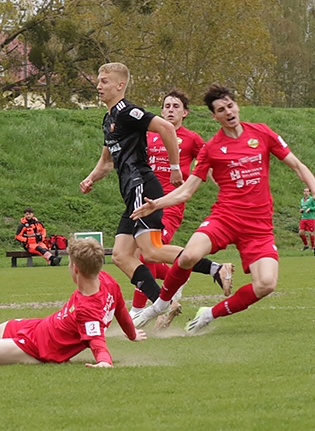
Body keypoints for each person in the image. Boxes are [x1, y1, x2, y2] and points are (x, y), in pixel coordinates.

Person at [130, 84, 315, 333]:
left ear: (236, 106)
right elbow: (187, 190)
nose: (228, 112)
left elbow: (297, 164)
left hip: (258, 225)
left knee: (266, 284)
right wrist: (156, 204)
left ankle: (209, 314)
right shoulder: (212, 148)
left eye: (230, 106)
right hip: (224, 218)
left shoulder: (262, 133)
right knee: (189, 256)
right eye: (220, 109)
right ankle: (159, 305)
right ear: (214, 116)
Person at [79, 63, 232, 314]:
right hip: (131, 193)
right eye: (98, 81)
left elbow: (167, 128)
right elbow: (107, 161)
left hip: (143, 186)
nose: (98, 86)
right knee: (120, 255)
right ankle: (165, 302)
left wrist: (175, 167)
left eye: (104, 81)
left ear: (120, 85)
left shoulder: (128, 111)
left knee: (151, 251)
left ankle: (215, 269)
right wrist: (90, 179)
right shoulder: (109, 119)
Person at [0, 238, 146, 367]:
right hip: (38, 327)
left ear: (75, 268)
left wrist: (104, 362)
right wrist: (132, 334)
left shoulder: (88, 310)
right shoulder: (107, 280)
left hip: (35, 349)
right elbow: (121, 310)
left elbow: (97, 341)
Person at [128, 89, 206, 328]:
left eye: (175, 106)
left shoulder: (191, 138)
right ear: (161, 111)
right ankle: (178, 274)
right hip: (143, 203)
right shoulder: (149, 135)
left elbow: (209, 161)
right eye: (167, 106)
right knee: (133, 256)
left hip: (169, 205)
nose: (170, 109)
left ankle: (137, 311)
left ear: (185, 112)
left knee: (146, 252)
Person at [298, 187, 315, 251]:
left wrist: (310, 208)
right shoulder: (302, 200)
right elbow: (302, 207)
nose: (306, 193)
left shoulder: (312, 199)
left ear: (309, 192)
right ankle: (306, 245)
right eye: (305, 191)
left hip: (310, 218)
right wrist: (301, 210)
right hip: (303, 218)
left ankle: (313, 247)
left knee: (311, 233)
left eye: (307, 191)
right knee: (301, 232)